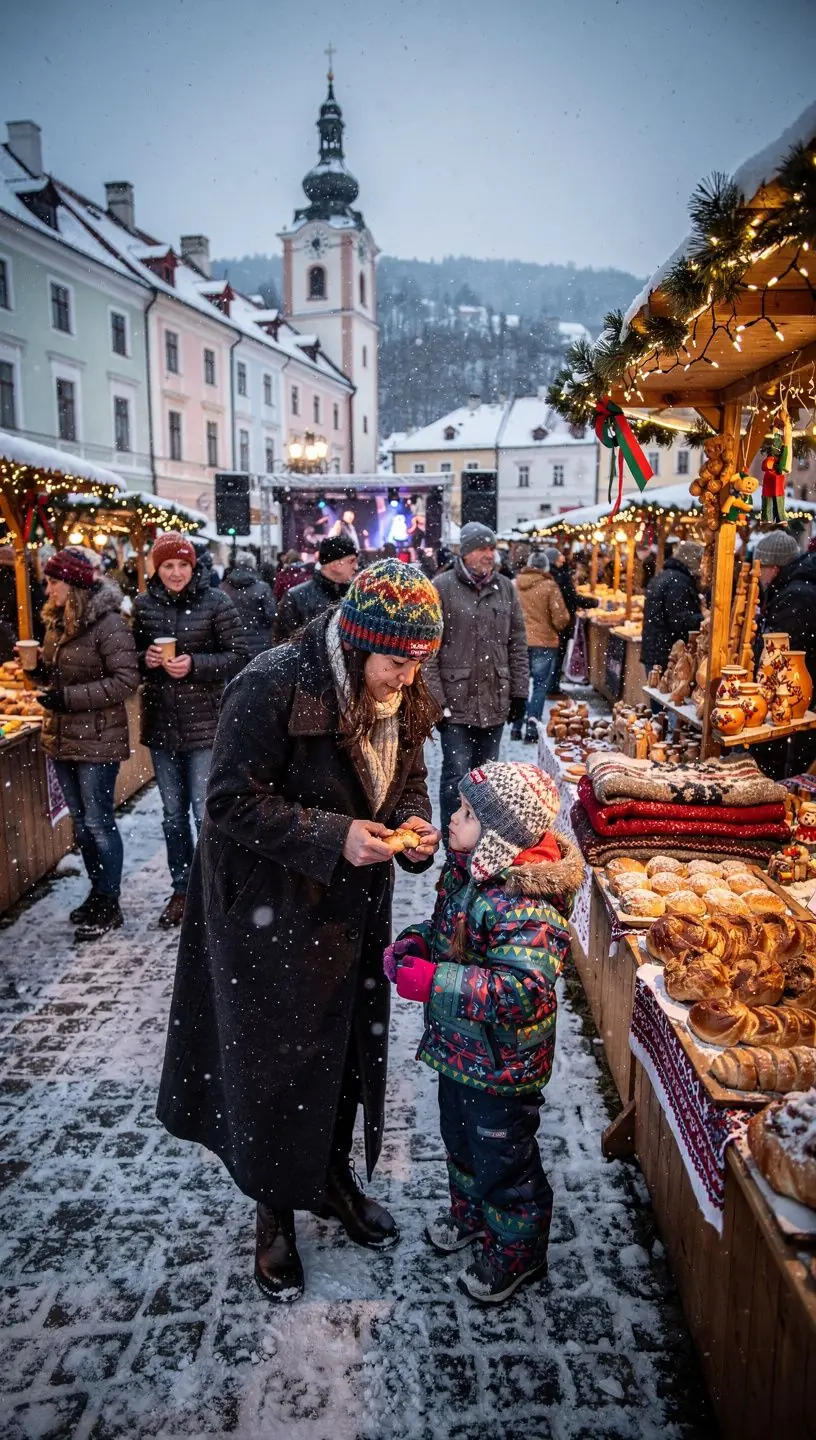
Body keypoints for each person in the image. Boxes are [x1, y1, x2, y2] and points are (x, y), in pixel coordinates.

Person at [156, 560, 444, 1303]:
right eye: (395, 662)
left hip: (351, 908)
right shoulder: (272, 681)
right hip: (267, 910)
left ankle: (333, 1179)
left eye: (418, 664)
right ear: (356, 645)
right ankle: (273, 1212)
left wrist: (412, 823)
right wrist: (331, 834)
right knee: (275, 1067)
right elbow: (226, 803)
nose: (406, 679)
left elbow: (407, 775)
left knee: (345, 1054)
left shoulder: (408, 691)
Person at [385, 760, 582, 1305]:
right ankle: (472, 1218)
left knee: (505, 1160)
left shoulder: (526, 901)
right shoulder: (468, 872)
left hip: (502, 1061)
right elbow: (454, 936)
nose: (452, 819)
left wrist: (436, 981)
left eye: (467, 814)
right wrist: (421, 944)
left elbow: (524, 991)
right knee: (462, 1140)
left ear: (498, 836)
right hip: (461, 1052)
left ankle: (518, 1251)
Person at [133, 534, 247, 928]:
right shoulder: (144, 607)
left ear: (194, 566)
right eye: (167, 566)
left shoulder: (216, 602)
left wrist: (196, 664)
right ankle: (182, 889)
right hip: (162, 724)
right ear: (157, 569)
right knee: (171, 815)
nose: (176, 573)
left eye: (182, 565)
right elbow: (128, 660)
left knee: (206, 811)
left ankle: (213, 887)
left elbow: (240, 656)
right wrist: (144, 658)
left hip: (205, 724)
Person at [33, 547, 139, 939]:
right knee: (81, 825)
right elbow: (57, 676)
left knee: (98, 823)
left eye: (52, 581)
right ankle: (97, 894)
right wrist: (37, 671)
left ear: (72, 585)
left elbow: (126, 680)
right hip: (62, 737)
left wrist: (68, 698)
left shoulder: (109, 624)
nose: (47, 589)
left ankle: (109, 902)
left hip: (98, 738)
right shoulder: (56, 621)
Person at [423, 522, 529, 841]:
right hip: (456, 704)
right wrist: (436, 701)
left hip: (495, 699)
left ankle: (482, 842)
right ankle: (453, 844)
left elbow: (517, 642)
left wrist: (520, 693)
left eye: (492, 549)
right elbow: (429, 651)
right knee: (457, 776)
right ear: (465, 552)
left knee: (487, 780)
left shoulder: (506, 588)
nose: (489, 555)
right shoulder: (441, 587)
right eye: (483, 549)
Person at [752, 530, 816, 778]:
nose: (759, 575)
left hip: (798, 694)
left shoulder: (796, 595)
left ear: (775, 567)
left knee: (792, 760)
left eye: (762, 567)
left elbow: (778, 653)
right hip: (801, 692)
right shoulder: (795, 588)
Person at [513, 553, 570, 742]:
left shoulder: (514, 585)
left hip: (519, 641)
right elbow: (561, 618)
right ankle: (532, 726)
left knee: (520, 684)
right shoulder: (549, 586)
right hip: (544, 642)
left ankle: (516, 726)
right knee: (539, 686)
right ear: (545, 567)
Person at [274, 536, 358, 642]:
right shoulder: (297, 597)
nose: (356, 566)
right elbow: (283, 646)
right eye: (352, 561)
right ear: (335, 565)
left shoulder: (356, 594)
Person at [640, 540, 704, 679]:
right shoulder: (678, 582)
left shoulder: (664, 576)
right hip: (667, 654)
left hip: (656, 651)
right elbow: (681, 620)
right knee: (665, 696)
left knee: (657, 693)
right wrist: (705, 620)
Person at [543, 545, 597, 698]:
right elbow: (571, 597)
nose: (563, 558)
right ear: (555, 560)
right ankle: (552, 688)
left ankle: (550, 685)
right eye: (559, 556)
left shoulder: (548, 575)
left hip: (549, 622)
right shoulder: (561, 576)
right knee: (558, 654)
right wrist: (594, 603)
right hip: (561, 621)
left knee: (552, 655)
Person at [220, 549, 276, 658]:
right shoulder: (262, 587)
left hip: (231, 642)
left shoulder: (223, 587)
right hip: (259, 641)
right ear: (253, 565)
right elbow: (271, 615)